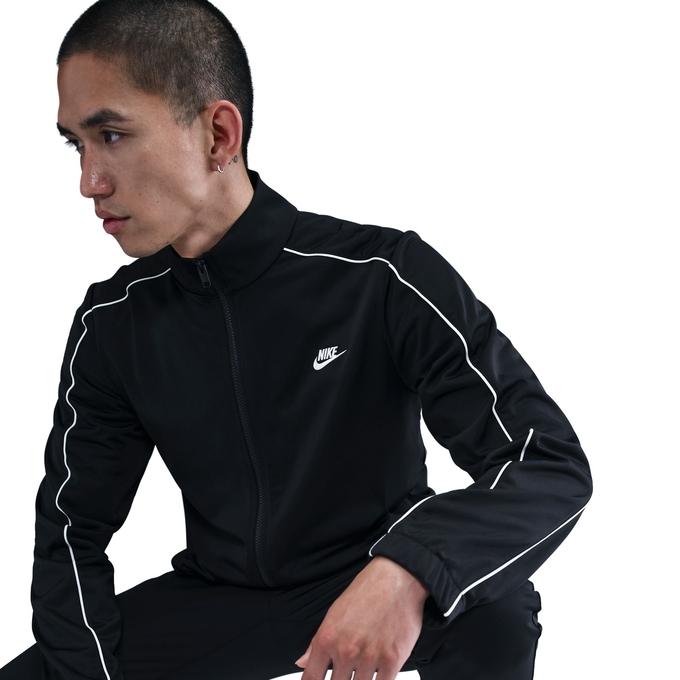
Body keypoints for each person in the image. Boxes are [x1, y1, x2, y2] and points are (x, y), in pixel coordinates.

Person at [0, 1, 593, 679]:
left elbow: (547, 462)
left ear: (219, 135)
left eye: (111, 135)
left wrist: (408, 568)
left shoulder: (381, 276)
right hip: (221, 600)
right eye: (76, 144)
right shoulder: (114, 322)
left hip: (371, 574)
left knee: (496, 607)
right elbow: (71, 532)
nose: (89, 182)